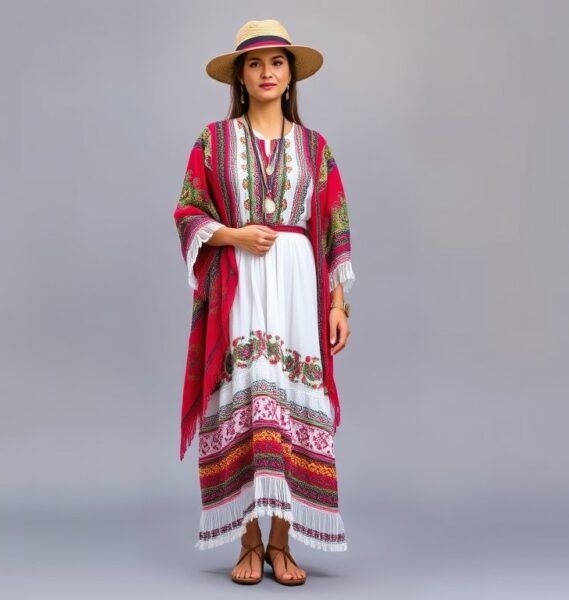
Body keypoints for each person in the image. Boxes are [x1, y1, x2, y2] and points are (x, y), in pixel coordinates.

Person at [173, 19, 356, 586]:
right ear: (240, 77)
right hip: (241, 280)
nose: (267, 72)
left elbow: (336, 225)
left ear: (291, 72)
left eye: (276, 62)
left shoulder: (314, 147)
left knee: (294, 398)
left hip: (300, 283)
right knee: (249, 395)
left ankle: (282, 544)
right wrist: (235, 235)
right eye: (255, 64)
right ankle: (247, 541)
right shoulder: (214, 140)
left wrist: (338, 303)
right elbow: (188, 210)